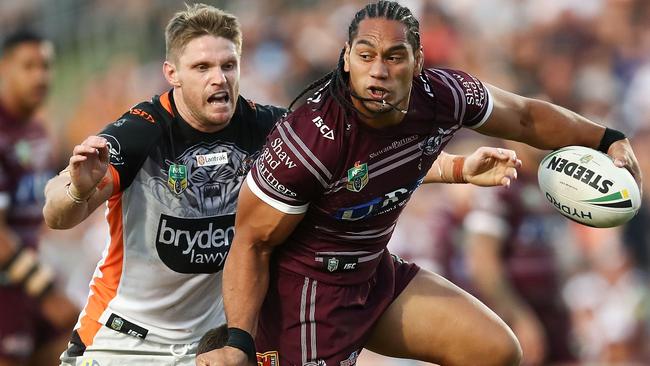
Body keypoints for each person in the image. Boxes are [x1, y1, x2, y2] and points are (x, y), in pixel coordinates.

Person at [196, 1, 643, 366]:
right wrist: (239, 341)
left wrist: (605, 138)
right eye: (366, 55)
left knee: (495, 351)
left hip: (373, 275)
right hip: (306, 298)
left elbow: (525, 116)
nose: (378, 71)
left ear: (418, 63)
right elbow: (251, 243)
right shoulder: (311, 139)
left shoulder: (441, 96)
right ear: (347, 59)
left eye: (394, 57)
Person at [43, 4, 286, 365]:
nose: (218, 78)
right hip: (123, 340)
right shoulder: (143, 131)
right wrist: (78, 189)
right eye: (202, 67)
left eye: (228, 65)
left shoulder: (268, 128)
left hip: (208, 347)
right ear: (172, 73)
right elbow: (55, 213)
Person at [0, 30, 79, 366]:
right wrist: (45, 290)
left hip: (26, 276)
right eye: (28, 66)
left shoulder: (38, 132)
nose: (40, 76)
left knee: (77, 340)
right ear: (4, 69)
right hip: (8, 282)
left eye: (46, 66)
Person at [463, 141, 574, 366]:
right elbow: (481, 262)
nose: (543, 136)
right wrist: (518, 316)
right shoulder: (501, 183)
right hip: (517, 319)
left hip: (551, 315)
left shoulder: (553, 185)